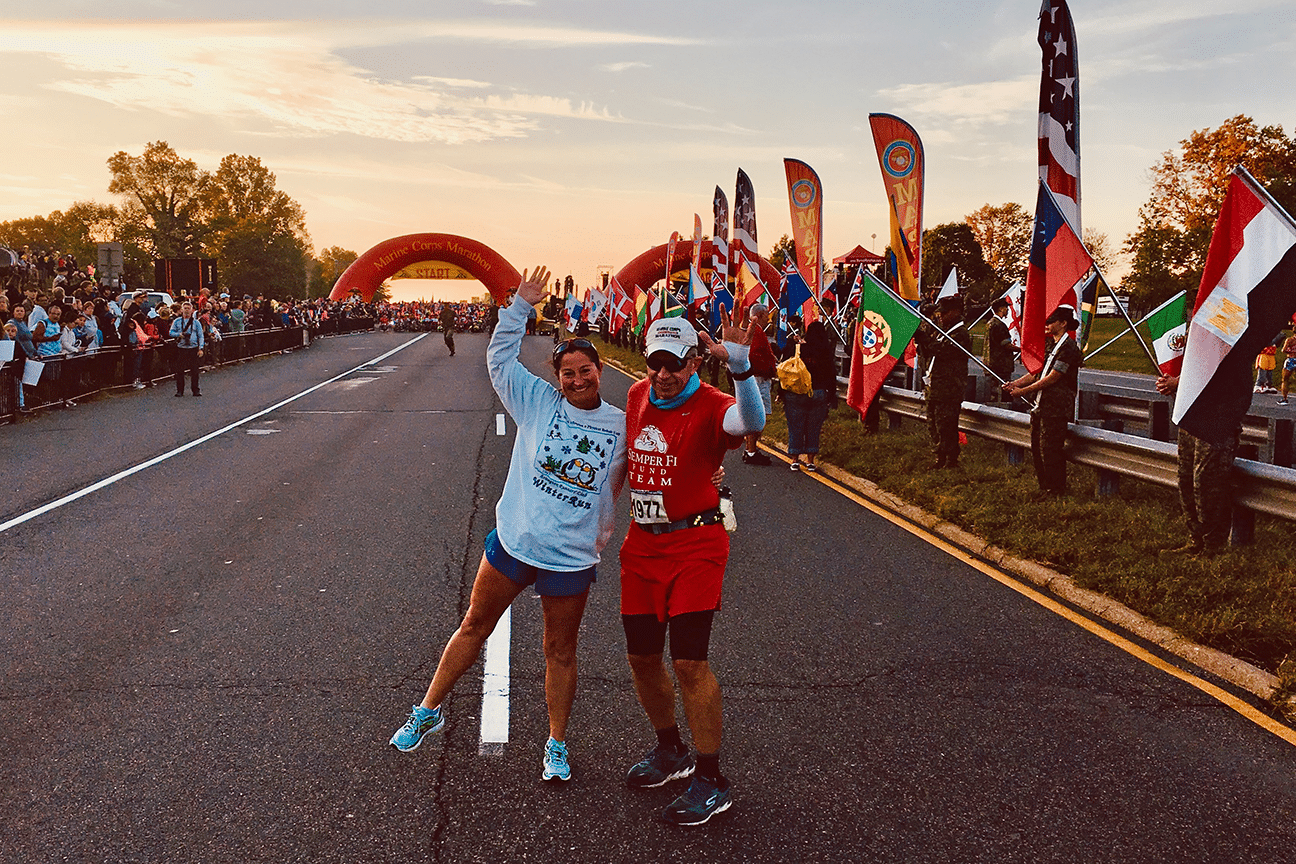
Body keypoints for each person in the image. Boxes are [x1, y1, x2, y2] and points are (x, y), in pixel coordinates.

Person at [389, 267, 629, 784]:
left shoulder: (622, 426)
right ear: (557, 377)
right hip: (515, 543)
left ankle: (556, 743)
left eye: (585, 371)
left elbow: (660, 462)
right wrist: (519, 306)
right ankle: (427, 710)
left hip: (570, 558)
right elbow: (499, 360)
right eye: (568, 373)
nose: (577, 380)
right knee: (474, 625)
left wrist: (711, 475)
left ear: (600, 369)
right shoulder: (537, 402)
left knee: (559, 651)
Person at [619, 312, 766, 826]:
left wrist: (742, 368)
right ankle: (671, 751)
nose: (663, 375)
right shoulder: (637, 395)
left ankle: (711, 778)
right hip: (641, 546)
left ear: (695, 362)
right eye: (655, 363)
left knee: (688, 663)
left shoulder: (713, 403)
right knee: (641, 658)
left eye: (674, 365)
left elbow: (750, 423)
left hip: (696, 546)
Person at [1005, 306, 1082, 495]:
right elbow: (1037, 372)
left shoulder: (1068, 348)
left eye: (1051, 321)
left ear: (1063, 323)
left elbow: (1053, 377)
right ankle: (1044, 487)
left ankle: (1056, 489)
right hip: (1041, 405)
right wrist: (1015, 384)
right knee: (1037, 448)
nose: (1046, 325)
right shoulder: (1051, 345)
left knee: (1051, 449)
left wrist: (1023, 391)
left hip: (1055, 407)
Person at [784, 319, 836, 472]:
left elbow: (786, 368)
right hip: (818, 392)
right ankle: (810, 461)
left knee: (795, 426)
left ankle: (795, 459)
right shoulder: (825, 351)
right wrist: (831, 395)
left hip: (797, 392)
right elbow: (831, 375)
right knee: (814, 427)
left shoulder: (799, 348)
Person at [926, 295, 972, 469]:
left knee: (946, 424)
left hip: (950, 387)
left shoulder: (960, 334)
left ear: (955, 312)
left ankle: (950, 458)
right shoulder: (943, 331)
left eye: (944, 313)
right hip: (936, 385)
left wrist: (927, 341)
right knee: (934, 423)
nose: (941, 316)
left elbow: (943, 352)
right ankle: (940, 456)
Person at [739, 303, 775, 465]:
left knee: (754, 414)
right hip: (759, 378)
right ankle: (751, 451)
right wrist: (767, 368)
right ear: (759, 315)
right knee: (758, 415)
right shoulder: (756, 331)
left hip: (755, 377)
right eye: (767, 316)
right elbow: (753, 354)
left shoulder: (754, 330)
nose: (768, 319)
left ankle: (750, 449)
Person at [985, 297, 1017, 402]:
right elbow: (1006, 345)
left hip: (992, 362)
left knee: (994, 391)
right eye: (1006, 307)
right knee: (1004, 390)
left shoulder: (990, 323)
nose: (1007, 310)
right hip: (1001, 364)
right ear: (1001, 309)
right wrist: (1022, 349)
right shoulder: (999, 325)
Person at [170, 301, 205, 397]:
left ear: (191, 310)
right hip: (181, 348)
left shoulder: (196, 322)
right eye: (185, 308)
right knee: (180, 371)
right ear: (182, 310)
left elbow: (200, 335)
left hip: (193, 348)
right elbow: (171, 332)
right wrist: (179, 334)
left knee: (195, 371)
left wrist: (201, 348)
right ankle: (180, 390)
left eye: (188, 308)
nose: (186, 310)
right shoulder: (177, 321)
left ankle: (195, 390)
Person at [1280, 330, 1296, 406]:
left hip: (1291, 360)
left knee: (1285, 380)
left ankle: (1284, 398)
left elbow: (1284, 350)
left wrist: (1291, 351)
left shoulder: (1290, 340)